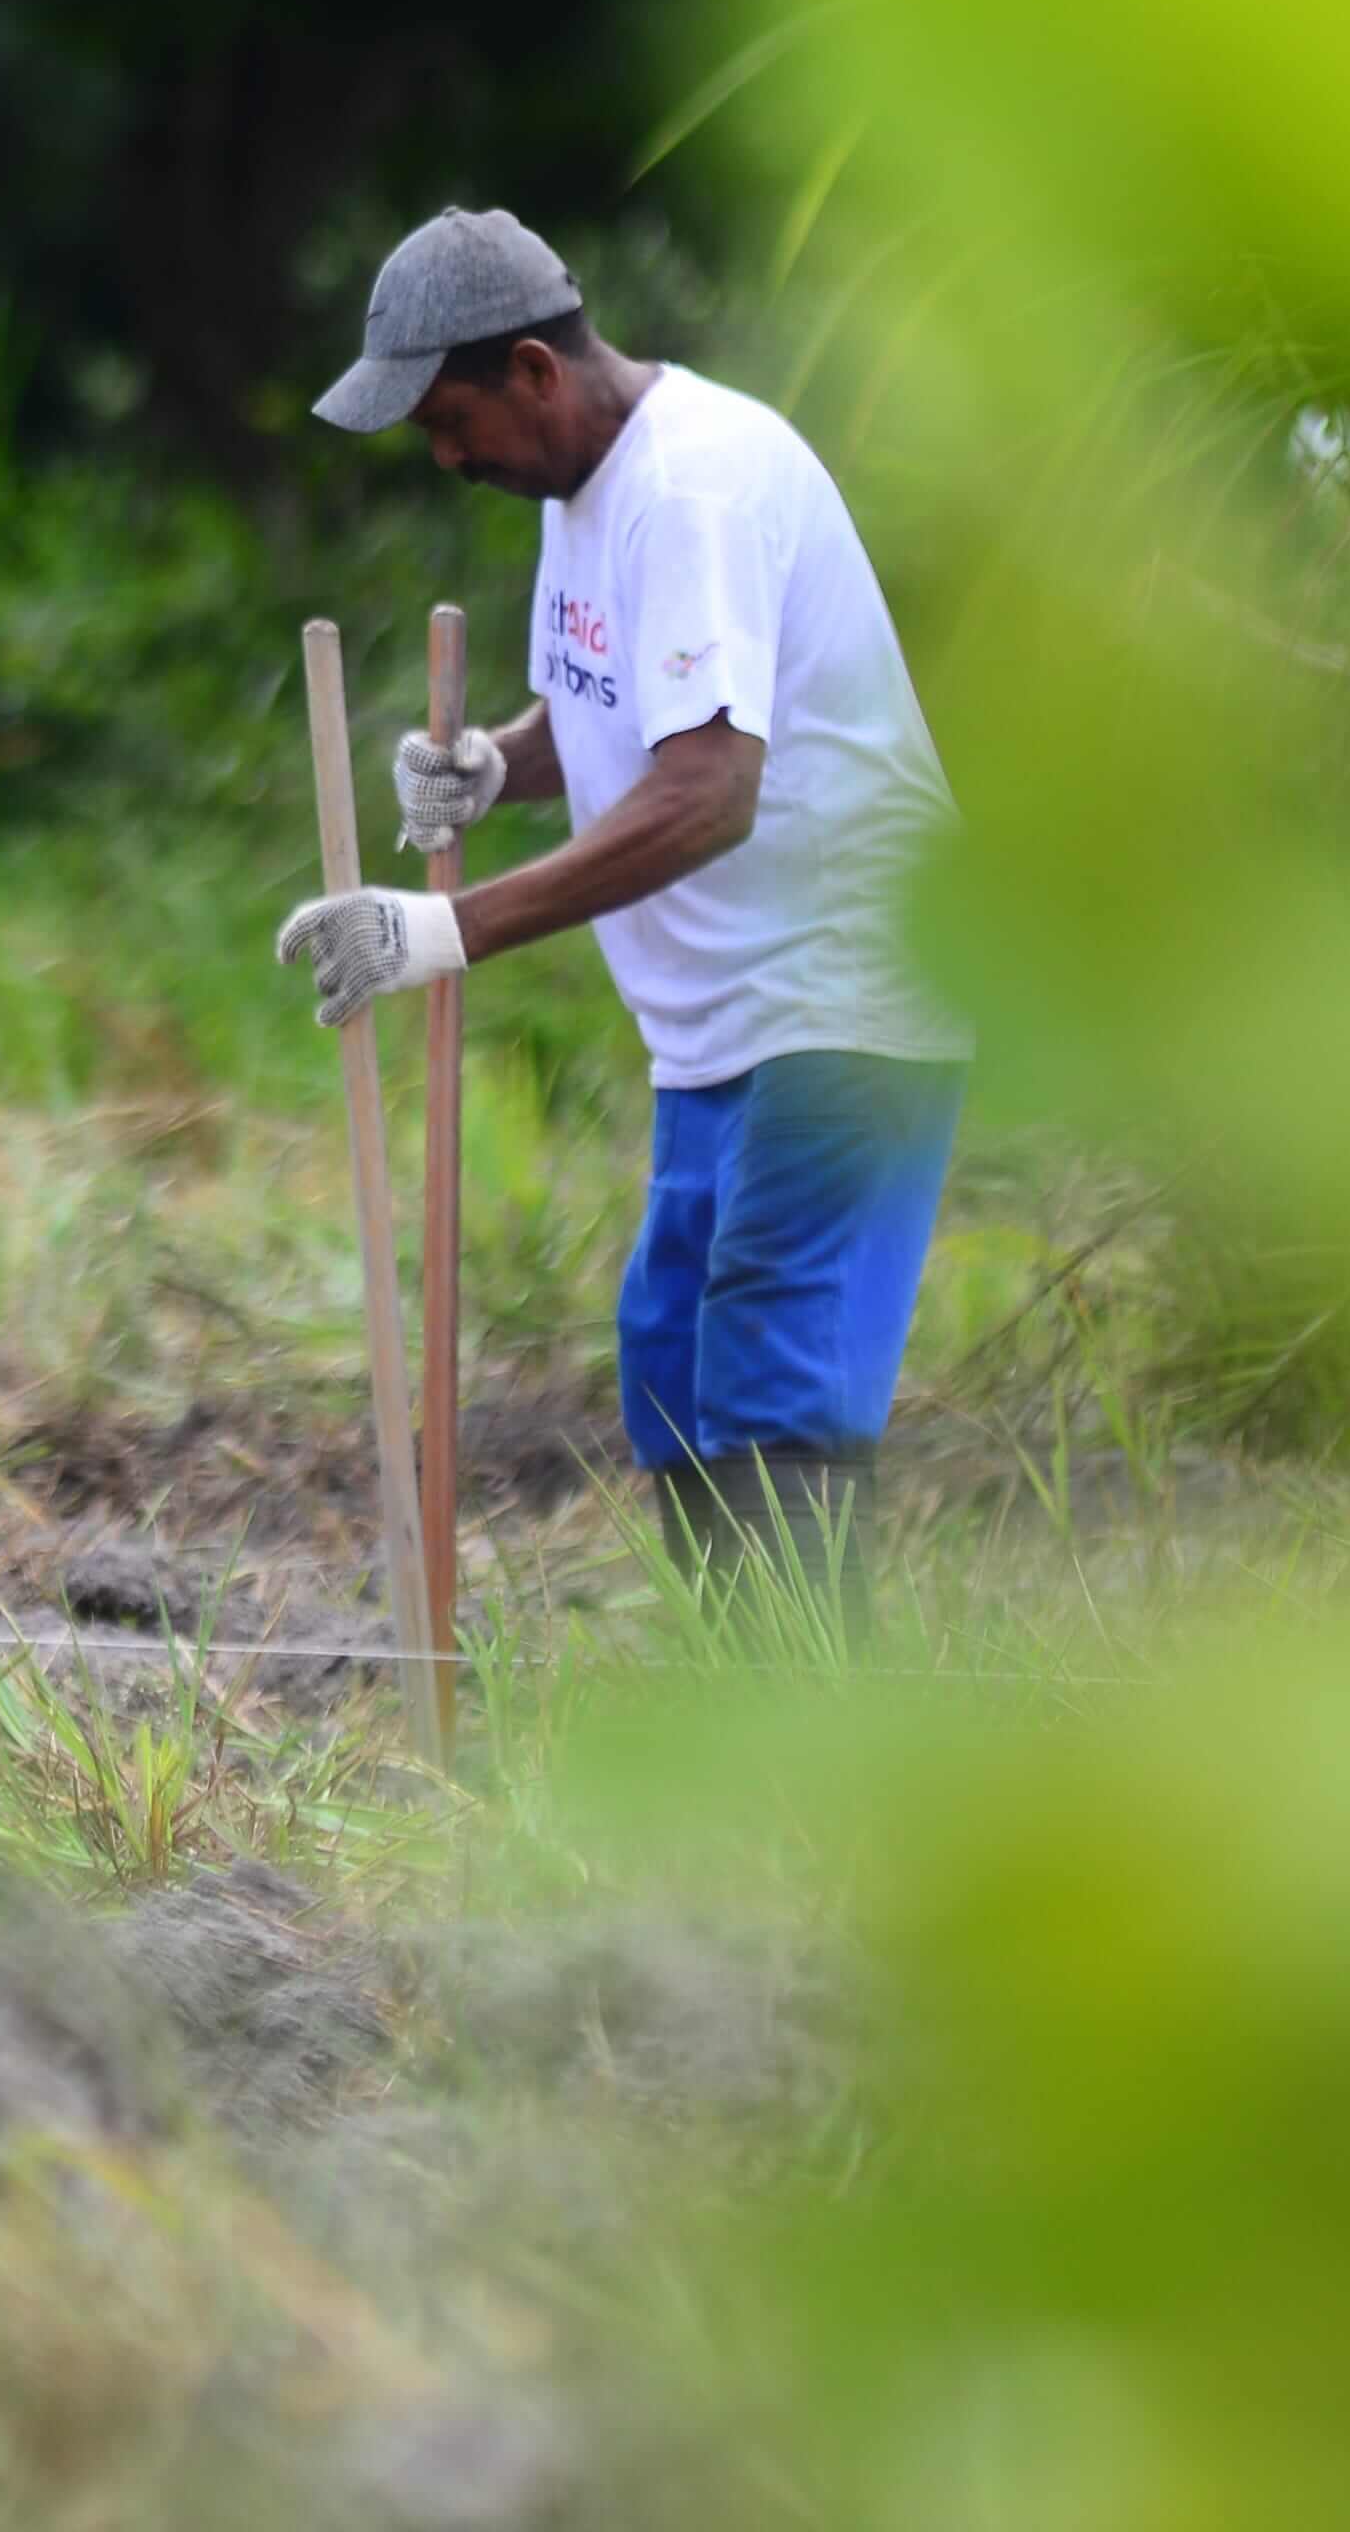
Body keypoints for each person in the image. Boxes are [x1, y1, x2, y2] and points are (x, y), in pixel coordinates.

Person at [268, 207, 967, 1620]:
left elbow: (708, 789)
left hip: (849, 993)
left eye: (452, 420)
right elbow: (612, 712)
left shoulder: (692, 489)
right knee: (666, 1352)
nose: (446, 457)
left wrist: (445, 929)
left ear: (534, 370)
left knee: (770, 1367)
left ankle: (817, 1740)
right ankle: (752, 1708)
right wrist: (492, 770)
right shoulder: (579, 492)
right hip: (726, 1020)